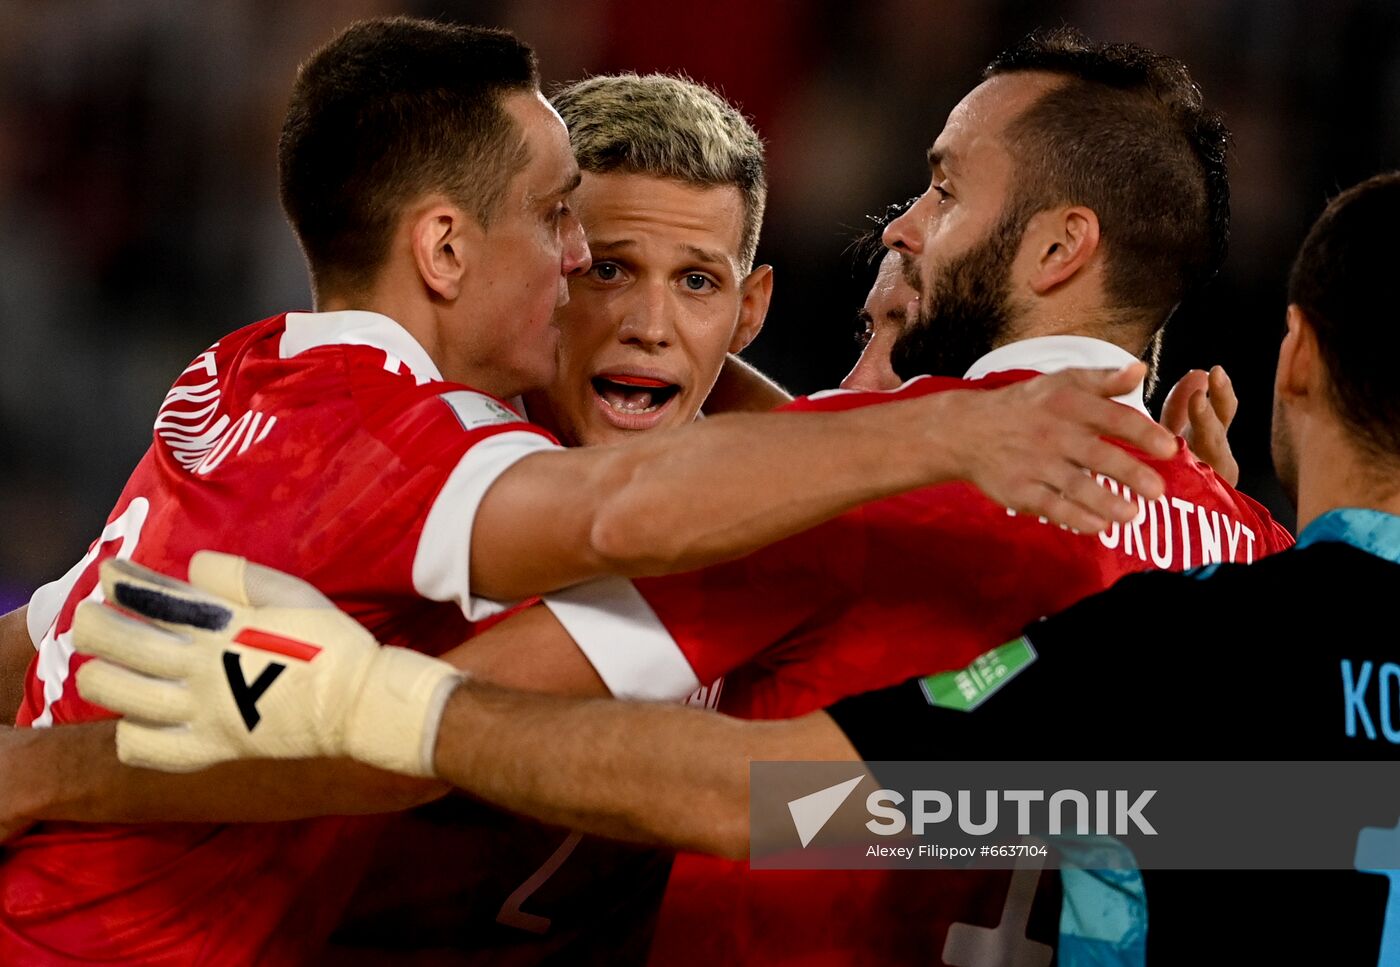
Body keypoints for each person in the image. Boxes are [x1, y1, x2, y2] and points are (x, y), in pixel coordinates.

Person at [0, 17, 1177, 965]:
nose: (632, 314)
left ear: (751, 312)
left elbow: (781, 798)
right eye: (588, 250)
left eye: (697, 282)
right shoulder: (458, 469)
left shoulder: (803, 513)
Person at [79, 166, 1400, 967]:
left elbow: (799, 805)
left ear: (1293, 358)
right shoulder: (1221, 582)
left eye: (944, 186)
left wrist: (382, 699)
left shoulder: (1199, 647)